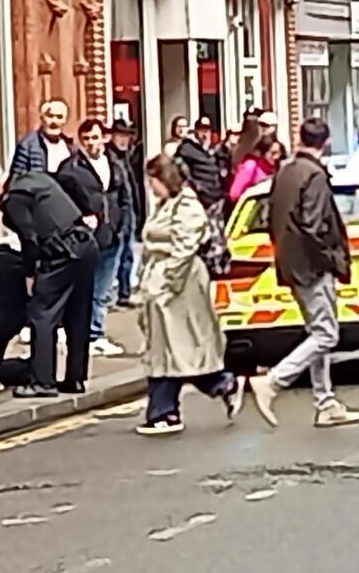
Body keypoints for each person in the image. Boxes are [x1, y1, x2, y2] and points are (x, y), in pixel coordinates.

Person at [251, 119, 359, 429]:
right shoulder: (313, 175)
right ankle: (273, 381)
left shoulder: (285, 171)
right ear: (325, 142)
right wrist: (333, 258)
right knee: (327, 333)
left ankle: (325, 401)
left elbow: (273, 217)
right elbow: (315, 225)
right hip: (312, 265)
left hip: (291, 261)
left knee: (317, 330)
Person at [134, 155, 241, 436]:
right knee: (171, 350)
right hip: (161, 284)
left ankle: (165, 412)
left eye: (153, 181)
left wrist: (166, 284)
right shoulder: (166, 205)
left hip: (181, 288)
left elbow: (184, 250)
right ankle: (220, 384)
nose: (151, 187)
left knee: (175, 349)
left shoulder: (188, 207)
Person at [0, 164, 98, 397]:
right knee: (78, 313)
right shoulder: (36, 177)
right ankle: (75, 378)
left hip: (63, 251)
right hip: (85, 243)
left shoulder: (14, 197)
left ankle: (43, 382)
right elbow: (71, 183)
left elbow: (29, 238)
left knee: (42, 313)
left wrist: (30, 274)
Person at [57, 119, 133, 358]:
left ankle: (96, 333)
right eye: (86, 138)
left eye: (95, 137)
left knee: (103, 289)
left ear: (104, 138)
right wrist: (79, 220)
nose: (91, 143)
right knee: (82, 288)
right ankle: (82, 334)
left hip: (113, 234)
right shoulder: (71, 168)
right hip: (86, 237)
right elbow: (61, 202)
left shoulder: (115, 165)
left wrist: (126, 225)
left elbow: (125, 197)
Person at [176, 117, 230, 275]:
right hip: (200, 201)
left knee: (217, 235)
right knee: (201, 235)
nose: (204, 134)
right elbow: (179, 169)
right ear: (196, 131)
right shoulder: (187, 149)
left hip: (216, 199)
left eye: (207, 130)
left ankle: (216, 265)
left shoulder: (213, 150)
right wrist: (195, 187)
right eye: (202, 130)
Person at [108, 119, 146, 309]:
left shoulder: (127, 157)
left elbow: (133, 185)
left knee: (127, 255)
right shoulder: (109, 157)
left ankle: (124, 293)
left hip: (129, 210)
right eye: (120, 135)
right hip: (117, 212)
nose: (124, 140)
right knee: (113, 256)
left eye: (126, 136)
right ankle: (107, 296)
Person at [10, 99, 74, 175]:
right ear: (42, 118)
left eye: (59, 117)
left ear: (65, 120)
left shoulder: (70, 146)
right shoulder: (27, 145)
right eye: (50, 116)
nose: (54, 121)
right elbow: (17, 178)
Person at [228, 133, 280, 204]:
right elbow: (234, 194)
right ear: (264, 152)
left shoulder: (277, 169)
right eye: (273, 153)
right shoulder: (251, 166)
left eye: (279, 153)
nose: (277, 157)